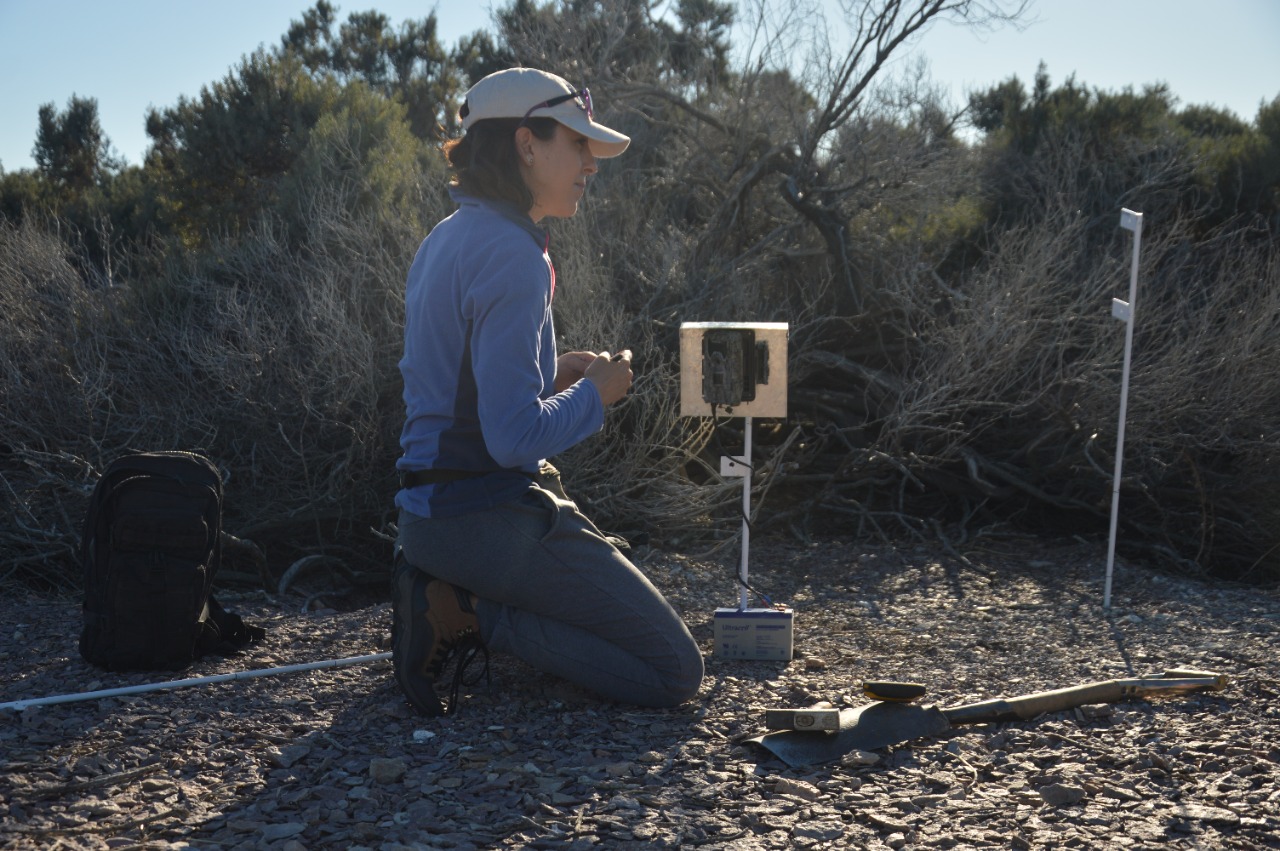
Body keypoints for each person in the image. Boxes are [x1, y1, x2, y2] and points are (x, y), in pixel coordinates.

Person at [392, 67, 705, 716]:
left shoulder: (446, 238)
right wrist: (596, 393)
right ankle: (469, 613)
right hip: (479, 517)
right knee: (674, 669)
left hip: (428, 517)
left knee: (608, 602)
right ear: (526, 144)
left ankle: (447, 589)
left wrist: (553, 372)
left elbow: (454, 390)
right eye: (579, 144)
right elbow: (511, 440)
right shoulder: (513, 255)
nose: (592, 164)